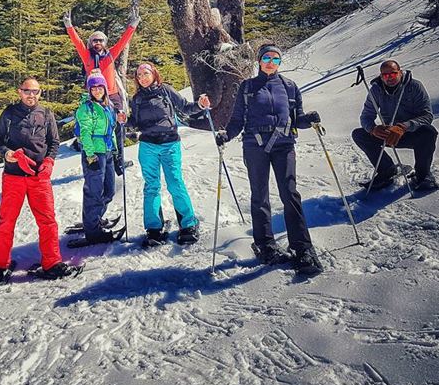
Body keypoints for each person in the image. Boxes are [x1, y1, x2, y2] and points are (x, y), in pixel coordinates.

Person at [217, 45, 323, 276]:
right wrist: (226, 134)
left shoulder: (289, 87)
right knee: (260, 195)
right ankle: (265, 245)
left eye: (276, 59)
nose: (270, 62)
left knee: (290, 193)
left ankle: (302, 248)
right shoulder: (247, 87)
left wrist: (309, 119)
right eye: (266, 58)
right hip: (255, 145)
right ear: (259, 60)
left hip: (284, 145)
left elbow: (297, 120)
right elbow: (236, 121)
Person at [0, 77, 77, 286]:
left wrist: (49, 161)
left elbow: (54, 141)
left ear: (40, 93)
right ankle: (0, 266)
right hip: (13, 177)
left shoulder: (46, 113)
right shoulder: (9, 113)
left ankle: (52, 263)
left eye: (35, 92)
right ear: (19, 92)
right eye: (27, 91)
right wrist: (7, 153)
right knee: (6, 222)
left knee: (47, 221)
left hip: (39, 177)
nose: (31, 95)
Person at [125, 63, 209, 246]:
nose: (142, 77)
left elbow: (186, 107)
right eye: (139, 75)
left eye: (145, 73)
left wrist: (200, 106)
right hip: (148, 146)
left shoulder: (166, 90)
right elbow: (135, 122)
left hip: (170, 144)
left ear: (154, 74)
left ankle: (188, 224)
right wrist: (125, 121)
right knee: (151, 186)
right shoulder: (137, 98)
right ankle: (154, 228)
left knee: (175, 183)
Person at [63, 10, 139, 173]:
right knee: (94, 128)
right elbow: (77, 42)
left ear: (105, 43)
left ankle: (118, 160)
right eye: (94, 40)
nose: (97, 42)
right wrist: (69, 26)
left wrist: (133, 25)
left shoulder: (110, 55)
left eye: (100, 40)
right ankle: (96, 158)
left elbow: (123, 41)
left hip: (113, 95)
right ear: (91, 43)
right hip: (94, 98)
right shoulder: (87, 56)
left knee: (119, 126)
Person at [351, 60, 439, 190]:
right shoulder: (376, 90)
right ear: (381, 76)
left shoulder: (414, 86)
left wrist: (404, 127)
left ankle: (423, 175)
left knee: (429, 132)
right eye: (385, 75)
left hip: (411, 133)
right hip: (390, 135)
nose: (389, 78)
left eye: (392, 74)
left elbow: (427, 116)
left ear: (400, 72)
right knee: (359, 134)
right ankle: (387, 171)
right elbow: (366, 116)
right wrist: (373, 129)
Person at [76, 72, 122, 244]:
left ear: (104, 88)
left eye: (99, 87)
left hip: (108, 151)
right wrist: (90, 156)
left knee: (109, 190)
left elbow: (112, 132)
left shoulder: (108, 108)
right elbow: (85, 133)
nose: (97, 91)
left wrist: (116, 154)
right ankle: (93, 230)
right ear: (89, 90)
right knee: (94, 192)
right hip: (94, 153)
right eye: (93, 88)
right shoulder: (86, 108)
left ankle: (94, 219)